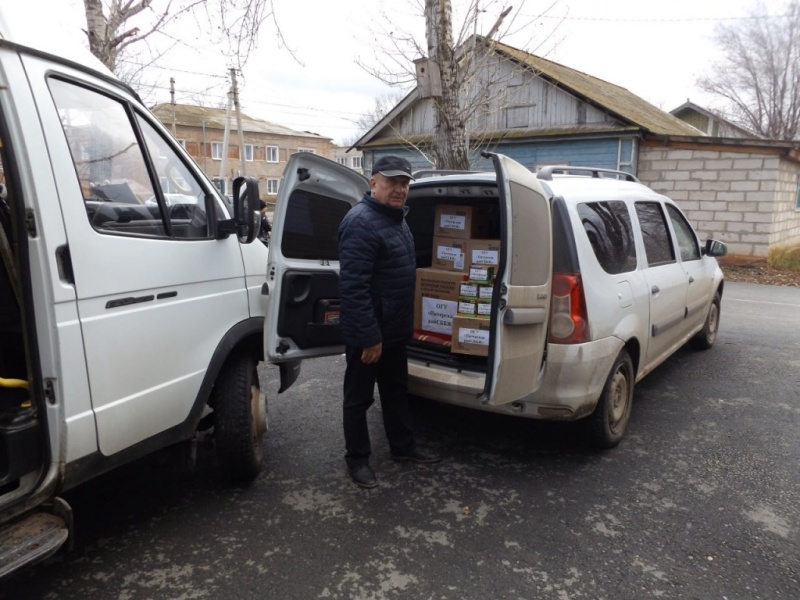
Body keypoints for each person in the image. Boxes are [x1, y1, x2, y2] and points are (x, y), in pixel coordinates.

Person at [338, 155, 440, 488]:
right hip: (370, 333)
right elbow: (353, 288)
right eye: (392, 181)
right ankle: (357, 460)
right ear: (373, 183)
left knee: (397, 392)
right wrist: (369, 337)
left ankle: (403, 447)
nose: (399, 189)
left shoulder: (396, 219)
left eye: (404, 183)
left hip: (394, 330)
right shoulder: (361, 222)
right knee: (359, 399)